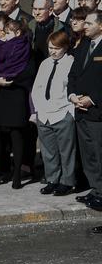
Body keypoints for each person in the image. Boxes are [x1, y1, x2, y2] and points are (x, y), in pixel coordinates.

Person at [0, 18, 35, 189]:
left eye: (8, 32)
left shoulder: (27, 50)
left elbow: (29, 73)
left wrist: (10, 80)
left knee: (16, 136)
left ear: (18, 33)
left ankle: (17, 174)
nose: (3, 35)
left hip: (16, 96)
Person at [31, 31, 76, 197]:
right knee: (48, 151)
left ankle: (67, 182)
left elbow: (72, 88)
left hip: (62, 113)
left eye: (57, 48)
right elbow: (37, 88)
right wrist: (37, 110)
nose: (53, 51)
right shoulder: (45, 63)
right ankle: (52, 180)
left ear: (65, 47)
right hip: (44, 114)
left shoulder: (71, 63)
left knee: (66, 152)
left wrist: (70, 113)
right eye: (50, 48)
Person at [67, 10, 102, 223]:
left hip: (97, 112)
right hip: (80, 110)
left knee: (99, 154)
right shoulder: (82, 47)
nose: (84, 26)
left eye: (89, 23)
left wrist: (93, 99)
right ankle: (95, 189)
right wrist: (72, 95)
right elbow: (73, 74)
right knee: (88, 154)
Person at [29, 0, 65, 65]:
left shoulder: (63, 29)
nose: (36, 13)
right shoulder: (28, 27)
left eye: (40, 9)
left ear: (50, 10)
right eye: (35, 9)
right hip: (33, 71)